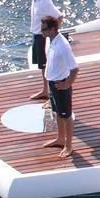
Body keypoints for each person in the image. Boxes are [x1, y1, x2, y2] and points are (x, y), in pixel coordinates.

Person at [40, 15, 78, 155]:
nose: (42, 32)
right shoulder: (51, 41)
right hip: (52, 82)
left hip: (61, 84)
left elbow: (74, 68)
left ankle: (68, 145)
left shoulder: (63, 46)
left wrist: (67, 84)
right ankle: (60, 138)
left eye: (44, 29)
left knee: (66, 115)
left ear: (53, 29)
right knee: (57, 112)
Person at [23, 0, 59, 100]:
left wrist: (53, 37)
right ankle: (46, 90)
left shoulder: (44, 1)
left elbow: (58, 16)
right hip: (36, 33)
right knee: (41, 65)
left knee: (45, 65)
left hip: (41, 35)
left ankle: (48, 92)